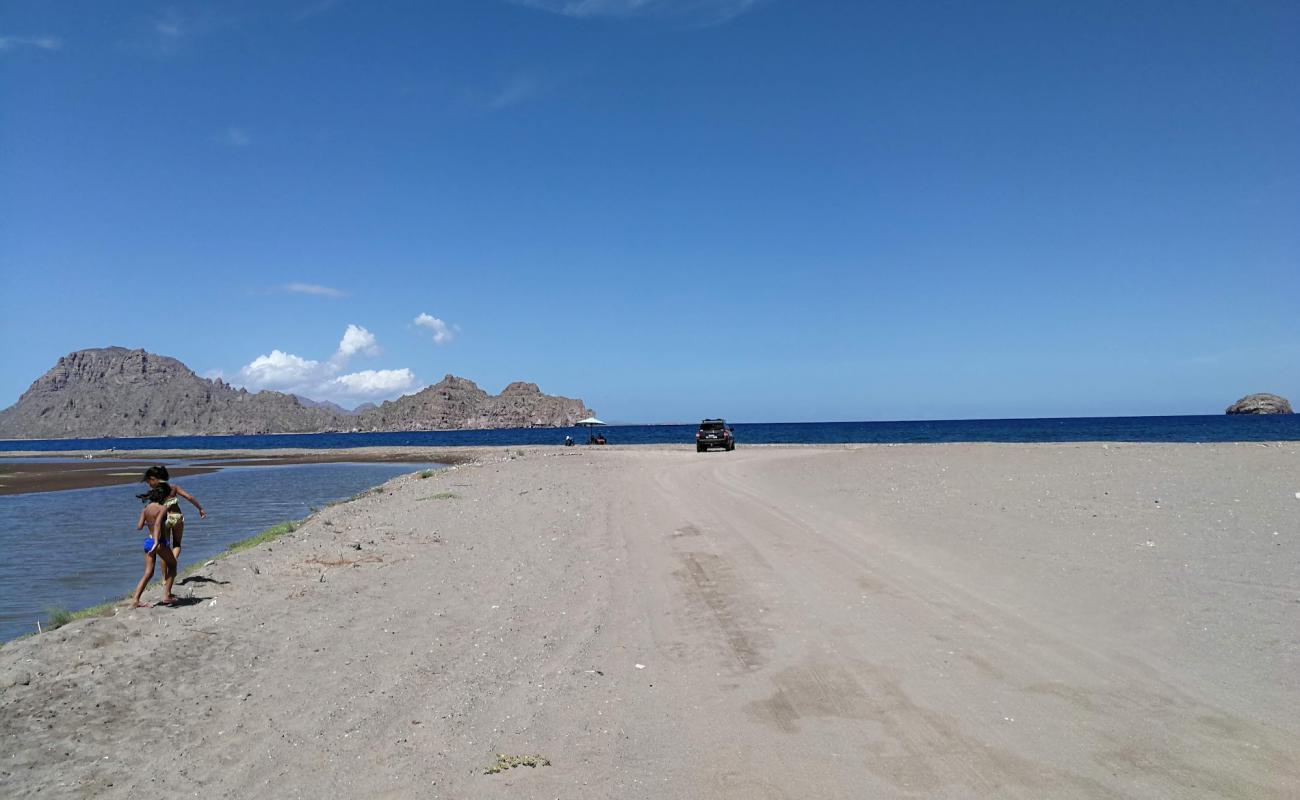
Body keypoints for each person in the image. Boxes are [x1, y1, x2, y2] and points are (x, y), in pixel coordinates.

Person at [141, 465, 205, 565]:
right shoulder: (173, 487)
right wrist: (200, 508)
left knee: (164, 547)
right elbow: (188, 497)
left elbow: (151, 510)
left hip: (165, 520)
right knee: (177, 544)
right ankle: (173, 562)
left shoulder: (155, 492)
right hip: (177, 517)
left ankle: (164, 578)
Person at [131, 483, 178, 608]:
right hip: (159, 543)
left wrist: (149, 523)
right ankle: (167, 596)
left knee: (148, 573)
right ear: (163, 496)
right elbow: (157, 524)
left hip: (148, 541)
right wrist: (157, 541)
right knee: (173, 565)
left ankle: (135, 600)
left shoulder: (145, 509)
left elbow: (139, 526)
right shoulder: (162, 508)